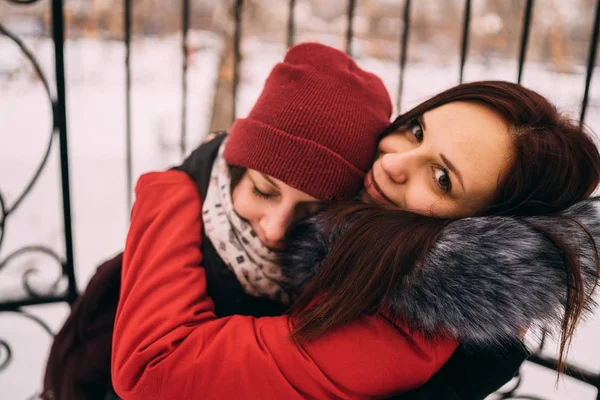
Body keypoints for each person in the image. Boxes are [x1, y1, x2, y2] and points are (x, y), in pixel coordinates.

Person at [110, 72, 600, 400]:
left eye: (442, 178)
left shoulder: (406, 324)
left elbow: (153, 368)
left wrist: (168, 190)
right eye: (415, 131)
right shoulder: (366, 247)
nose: (391, 162)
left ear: (482, 225)